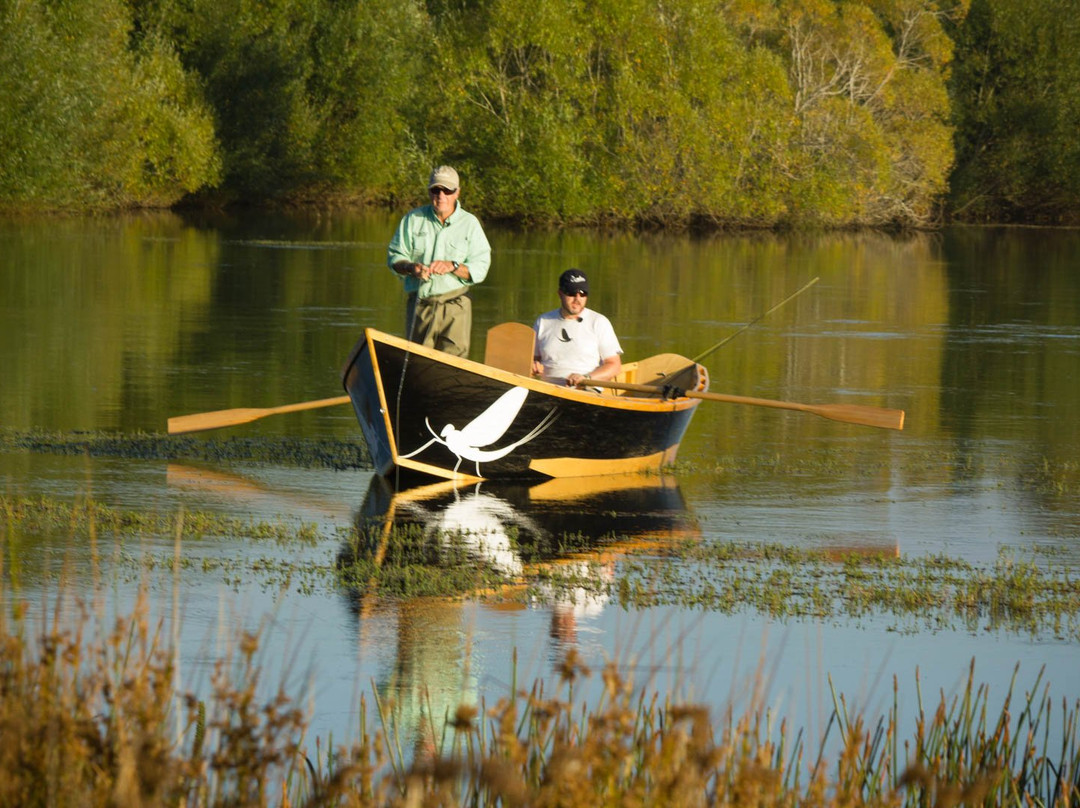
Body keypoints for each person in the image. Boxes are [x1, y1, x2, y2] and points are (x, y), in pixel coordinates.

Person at [387, 165, 491, 357]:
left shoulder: (470, 224)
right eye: (436, 189)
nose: (441, 195)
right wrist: (411, 268)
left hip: (456, 306)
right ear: (429, 191)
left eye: (447, 190)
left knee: (455, 366)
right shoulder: (413, 219)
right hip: (420, 305)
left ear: (457, 192)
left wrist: (454, 266)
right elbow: (394, 257)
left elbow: (481, 268)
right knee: (416, 363)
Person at [532, 268, 622, 387]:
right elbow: (532, 359)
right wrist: (533, 365)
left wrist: (586, 378)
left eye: (583, 293)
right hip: (547, 389)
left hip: (586, 389)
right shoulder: (543, 321)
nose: (577, 299)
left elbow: (614, 366)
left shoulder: (599, 322)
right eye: (572, 293)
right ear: (560, 293)